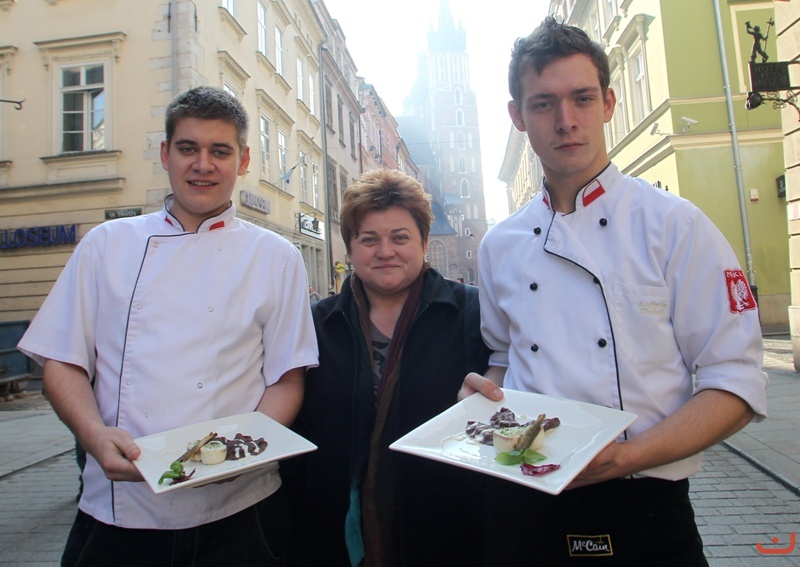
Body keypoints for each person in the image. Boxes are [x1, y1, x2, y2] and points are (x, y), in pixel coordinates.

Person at [461, 17, 768, 565]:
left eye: (582, 98)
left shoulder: (675, 225)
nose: (566, 121)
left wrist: (626, 456)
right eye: (543, 104)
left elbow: (736, 382)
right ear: (518, 116)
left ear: (607, 103)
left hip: (644, 506)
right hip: (524, 502)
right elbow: (506, 360)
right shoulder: (500, 245)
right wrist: (487, 397)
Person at [17, 86, 318, 566]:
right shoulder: (106, 244)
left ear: (243, 160)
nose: (203, 164)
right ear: (165, 154)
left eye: (220, 151)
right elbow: (63, 360)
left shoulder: (277, 256)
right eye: (188, 148)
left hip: (242, 510)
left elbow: (286, 378)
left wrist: (244, 452)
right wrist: (93, 435)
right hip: (120, 509)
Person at [282, 168, 491, 567]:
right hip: (335, 535)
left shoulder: (472, 313)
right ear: (350, 247)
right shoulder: (317, 324)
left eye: (400, 238)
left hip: (446, 529)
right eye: (369, 239)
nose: (385, 251)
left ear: (424, 242)